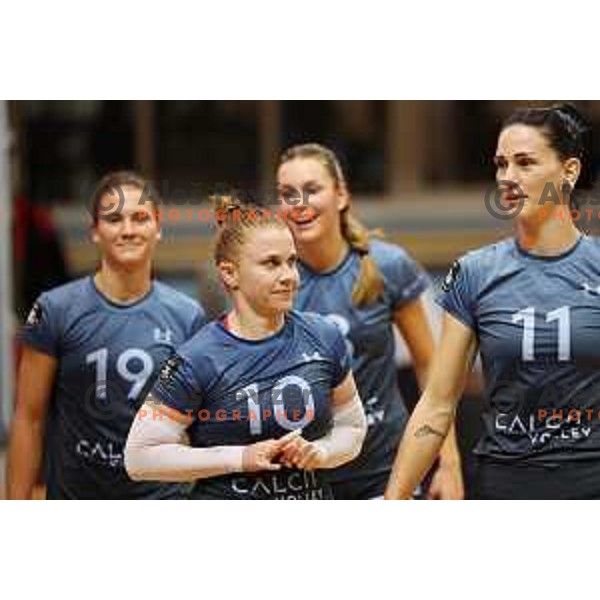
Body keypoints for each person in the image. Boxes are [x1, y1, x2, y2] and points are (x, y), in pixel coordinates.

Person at [385, 103, 600, 500]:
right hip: (505, 484)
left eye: (525, 163)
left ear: (569, 171)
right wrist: (393, 500)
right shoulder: (474, 273)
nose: (508, 178)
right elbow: (436, 403)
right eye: (501, 164)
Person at [124, 203, 367, 499]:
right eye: (271, 263)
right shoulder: (197, 358)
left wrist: (321, 452)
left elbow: (352, 427)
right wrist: (240, 458)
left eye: (292, 261)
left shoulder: (323, 335)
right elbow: (139, 457)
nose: (289, 275)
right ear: (229, 273)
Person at [276, 143, 463, 499]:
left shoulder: (387, 266)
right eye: (287, 194)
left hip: (386, 475)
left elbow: (430, 368)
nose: (299, 203)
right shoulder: (271, 277)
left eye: (312, 190)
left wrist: (449, 463)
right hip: (304, 482)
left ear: (341, 195)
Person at [7, 171, 206, 499]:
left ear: (158, 228)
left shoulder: (188, 316)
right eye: (114, 219)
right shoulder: (54, 309)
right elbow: (29, 418)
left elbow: (200, 426)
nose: (128, 230)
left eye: (140, 218)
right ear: (95, 232)